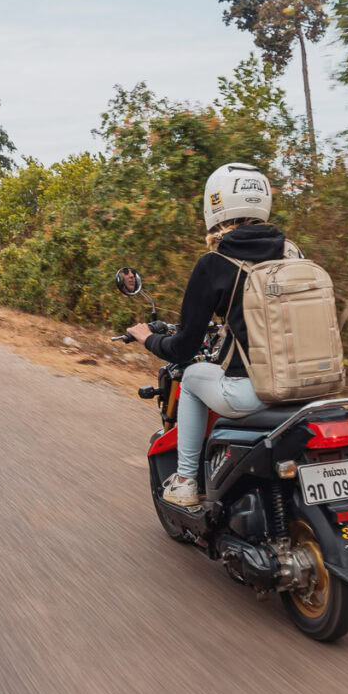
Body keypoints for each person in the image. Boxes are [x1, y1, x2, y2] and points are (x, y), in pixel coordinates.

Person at [127, 163, 287, 507]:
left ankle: (186, 479)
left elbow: (184, 347)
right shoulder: (294, 253)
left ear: (215, 205)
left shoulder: (215, 263)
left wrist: (148, 339)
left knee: (193, 377)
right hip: (310, 388)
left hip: (255, 392)